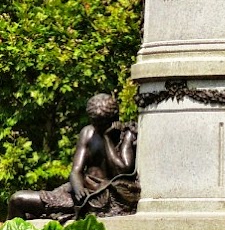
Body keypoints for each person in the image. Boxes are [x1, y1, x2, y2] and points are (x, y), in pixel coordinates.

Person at [8, 93, 139, 220]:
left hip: (99, 196)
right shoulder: (88, 132)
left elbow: (121, 171)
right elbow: (76, 170)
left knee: (18, 200)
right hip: (78, 192)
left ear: (113, 119)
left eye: (102, 124)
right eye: (95, 123)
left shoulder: (125, 135)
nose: (97, 127)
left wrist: (107, 138)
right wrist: (78, 188)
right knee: (18, 200)